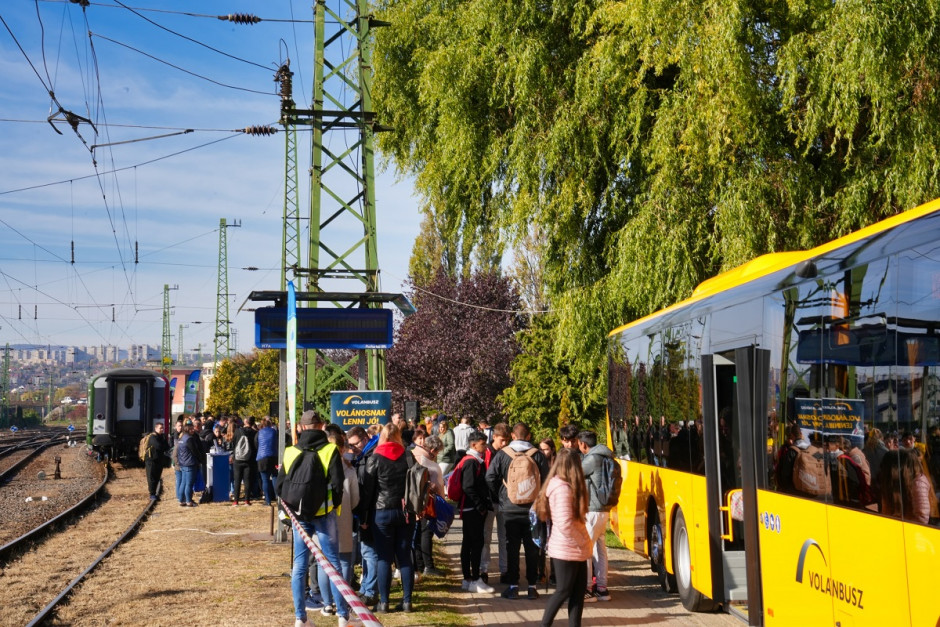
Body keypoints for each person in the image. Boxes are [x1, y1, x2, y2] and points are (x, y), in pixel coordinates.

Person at [276, 410, 347, 627]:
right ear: (322, 426)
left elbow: (280, 485)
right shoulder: (330, 450)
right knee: (333, 563)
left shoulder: (290, 452)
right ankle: (343, 616)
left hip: (300, 516)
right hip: (324, 514)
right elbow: (338, 484)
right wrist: (333, 505)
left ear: (301, 427)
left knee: (300, 565)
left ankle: (300, 617)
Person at [485, 422, 550, 600]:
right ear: (528, 436)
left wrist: (500, 495)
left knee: (511, 548)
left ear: (512, 436)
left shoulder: (503, 455)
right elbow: (547, 479)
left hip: (509, 509)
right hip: (532, 510)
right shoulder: (537, 455)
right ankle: (531, 586)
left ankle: (513, 586)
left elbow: (490, 477)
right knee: (531, 548)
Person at [360, 422, 416, 613]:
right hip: (406, 511)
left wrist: (364, 517)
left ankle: (384, 602)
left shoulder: (375, 457)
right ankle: (407, 601)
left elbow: (368, 491)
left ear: (382, 437)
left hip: (381, 512)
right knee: (404, 557)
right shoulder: (408, 455)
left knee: (384, 558)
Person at [535, 447, 592, 627]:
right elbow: (564, 522)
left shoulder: (564, 486)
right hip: (567, 549)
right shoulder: (562, 489)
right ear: (574, 466)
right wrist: (583, 540)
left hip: (574, 549)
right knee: (563, 591)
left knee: (577, 594)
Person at [325, 424, 361, 626]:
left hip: (324, 517)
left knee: (326, 563)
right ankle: (343, 605)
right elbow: (355, 499)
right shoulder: (349, 469)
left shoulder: (319, 465)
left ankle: (328, 602)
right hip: (344, 516)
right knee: (345, 560)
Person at [578, 430, 614, 602]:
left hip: (593, 510)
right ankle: (602, 588)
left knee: (586, 549)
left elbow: (575, 474)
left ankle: (587, 589)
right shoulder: (606, 456)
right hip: (604, 509)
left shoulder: (592, 459)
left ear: (583, 444)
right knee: (600, 550)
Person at [460, 431, 494, 593]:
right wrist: (480, 506)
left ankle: (468, 579)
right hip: (472, 509)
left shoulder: (473, 461)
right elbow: (468, 486)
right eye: (482, 444)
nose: (485, 447)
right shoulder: (471, 462)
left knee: (469, 543)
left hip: (470, 508)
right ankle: (474, 579)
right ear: (473, 444)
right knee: (475, 544)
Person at [349, 425, 379, 606]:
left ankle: (370, 591)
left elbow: (367, 491)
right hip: (367, 512)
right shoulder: (363, 456)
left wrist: (364, 517)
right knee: (367, 551)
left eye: (356, 444)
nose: (354, 449)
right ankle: (366, 587)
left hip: (371, 512)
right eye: (351, 446)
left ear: (365, 438)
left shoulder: (370, 457)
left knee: (370, 552)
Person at [481, 422, 510, 584]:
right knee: (486, 538)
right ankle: (483, 570)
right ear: (494, 437)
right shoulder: (487, 452)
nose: (504, 444)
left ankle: (504, 570)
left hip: (505, 501)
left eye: (507, 440)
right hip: (490, 501)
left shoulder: (508, 453)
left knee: (504, 538)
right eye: (501, 440)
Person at [412, 433, 444, 576]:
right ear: (433, 450)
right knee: (426, 533)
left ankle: (419, 565)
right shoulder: (426, 461)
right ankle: (428, 567)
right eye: (437, 452)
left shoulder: (413, 454)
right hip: (427, 502)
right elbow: (435, 483)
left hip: (414, 501)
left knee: (418, 534)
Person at [232, 416, 258, 506]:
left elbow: (234, 443)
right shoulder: (255, 433)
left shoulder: (238, 431)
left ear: (245, 421)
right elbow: (255, 446)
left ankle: (236, 501)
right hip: (249, 459)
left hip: (238, 459)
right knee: (247, 481)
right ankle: (247, 500)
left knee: (237, 480)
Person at [176, 419, 201, 507]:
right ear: (187, 429)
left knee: (183, 482)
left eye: (193, 428)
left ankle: (181, 500)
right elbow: (195, 451)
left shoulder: (182, 438)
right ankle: (189, 501)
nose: (193, 430)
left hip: (183, 463)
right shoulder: (189, 439)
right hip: (190, 463)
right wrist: (200, 460)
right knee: (189, 484)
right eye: (191, 429)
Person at [142, 421, 169, 500]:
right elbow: (159, 446)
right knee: (151, 477)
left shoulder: (162, 437)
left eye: (162, 428)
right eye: (160, 428)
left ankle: (154, 493)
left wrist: (163, 446)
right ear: (156, 428)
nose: (162, 430)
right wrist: (163, 446)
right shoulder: (152, 437)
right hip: (151, 460)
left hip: (159, 460)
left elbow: (167, 446)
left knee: (157, 477)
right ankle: (152, 493)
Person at [256, 417, 278, 506]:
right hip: (273, 456)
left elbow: (256, 443)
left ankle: (268, 501)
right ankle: (278, 497)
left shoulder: (259, 433)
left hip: (262, 457)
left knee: (265, 479)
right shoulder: (274, 432)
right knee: (275, 476)